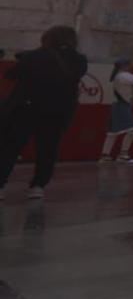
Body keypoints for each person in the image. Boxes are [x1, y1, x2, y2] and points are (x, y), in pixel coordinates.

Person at [0, 25, 89, 198]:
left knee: (11, 147)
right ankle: (38, 186)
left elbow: (12, 74)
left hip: (26, 108)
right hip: (59, 112)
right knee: (48, 149)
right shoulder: (79, 60)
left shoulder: (35, 57)